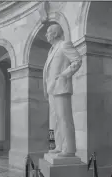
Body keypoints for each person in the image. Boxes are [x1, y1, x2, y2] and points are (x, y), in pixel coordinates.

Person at [43, 24, 82, 157]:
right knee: (54, 120)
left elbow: (77, 60)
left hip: (61, 87)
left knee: (64, 118)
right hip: (51, 90)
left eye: (48, 32)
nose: (46, 35)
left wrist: (64, 75)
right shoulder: (51, 50)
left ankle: (69, 148)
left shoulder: (64, 45)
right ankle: (56, 146)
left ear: (54, 34)